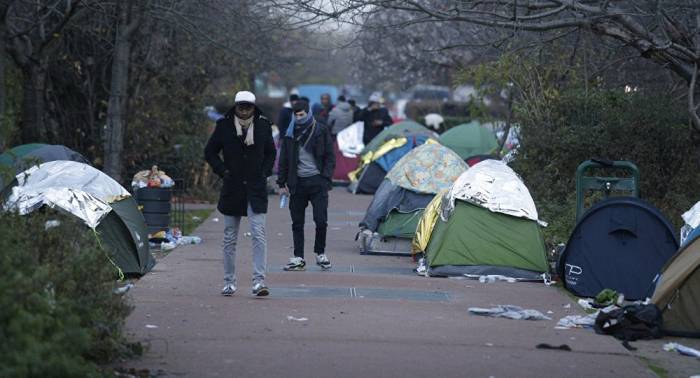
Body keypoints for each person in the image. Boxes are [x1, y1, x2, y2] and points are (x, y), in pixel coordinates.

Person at [204, 90, 276, 297]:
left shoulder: (263, 125)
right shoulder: (224, 126)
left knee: (259, 234)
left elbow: (271, 152)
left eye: (248, 106)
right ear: (235, 106)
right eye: (240, 106)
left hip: (255, 187)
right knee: (229, 236)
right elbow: (210, 152)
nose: (244, 110)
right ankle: (228, 281)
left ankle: (259, 281)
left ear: (254, 107)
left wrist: (264, 172)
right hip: (233, 186)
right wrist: (223, 171)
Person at [277, 100, 336, 271]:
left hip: (318, 182)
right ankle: (299, 257)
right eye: (296, 115)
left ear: (308, 113)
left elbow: (330, 156)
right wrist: (281, 183)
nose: (299, 118)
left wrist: (325, 177)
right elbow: (284, 160)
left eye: (301, 114)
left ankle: (320, 253)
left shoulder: (321, 130)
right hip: (297, 184)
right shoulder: (290, 133)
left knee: (321, 220)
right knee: (297, 223)